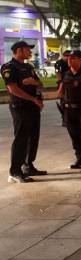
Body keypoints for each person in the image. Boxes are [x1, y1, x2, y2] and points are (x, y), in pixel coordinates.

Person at [2, 41, 47, 183]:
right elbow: (13, 89)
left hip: (33, 107)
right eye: (28, 49)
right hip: (20, 107)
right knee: (21, 139)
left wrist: (34, 83)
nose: (30, 52)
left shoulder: (29, 67)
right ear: (19, 50)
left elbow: (41, 84)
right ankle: (14, 171)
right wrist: (33, 99)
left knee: (33, 138)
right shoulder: (9, 67)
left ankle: (28, 165)